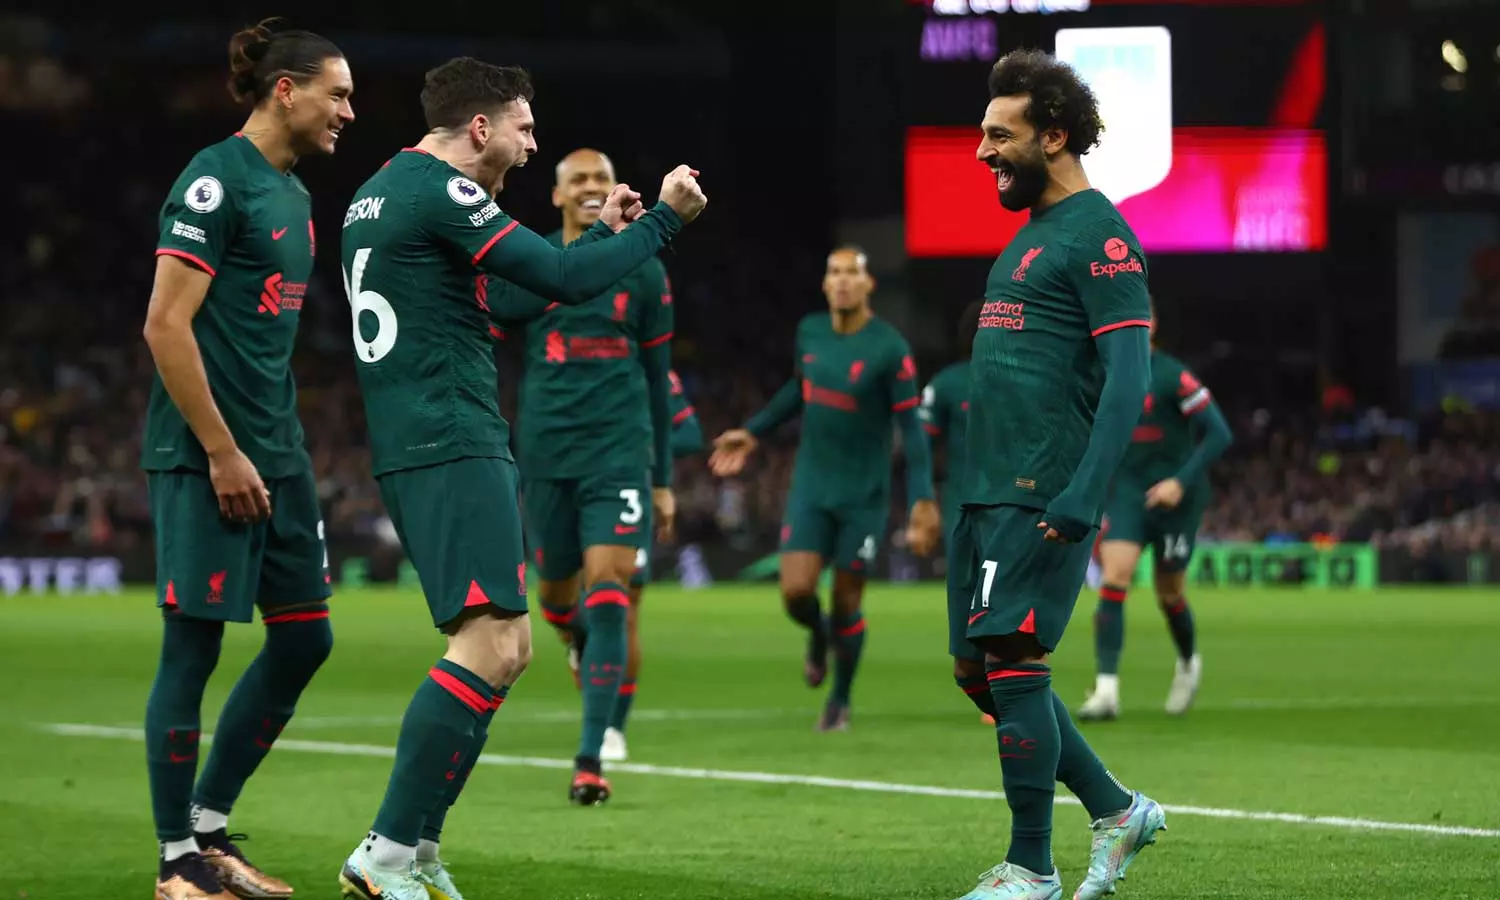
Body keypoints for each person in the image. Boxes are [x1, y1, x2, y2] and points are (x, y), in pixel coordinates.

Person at [336, 57, 706, 900]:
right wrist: (664, 222)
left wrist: (603, 236)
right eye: (525, 127)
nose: (532, 145)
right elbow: (563, 278)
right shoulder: (444, 189)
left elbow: (505, 301)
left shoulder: (381, 190)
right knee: (488, 646)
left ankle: (419, 847)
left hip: (423, 437)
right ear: (481, 126)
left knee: (512, 649)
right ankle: (383, 855)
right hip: (452, 437)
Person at [946, 50, 1166, 900]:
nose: (982, 151)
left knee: (1012, 657)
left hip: (1040, 488)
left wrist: (1085, 491)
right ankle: (1116, 809)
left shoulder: (1101, 237)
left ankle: (1030, 867)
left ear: (1054, 136)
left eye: (999, 135)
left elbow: (1130, 377)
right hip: (984, 489)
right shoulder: (1030, 236)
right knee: (976, 671)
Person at [140, 20, 352, 900]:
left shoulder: (295, 196)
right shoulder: (213, 179)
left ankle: (208, 826)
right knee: (192, 650)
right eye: (337, 94)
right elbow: (165, 325)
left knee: (306, 638)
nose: (349, 111)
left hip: (278, 452)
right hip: (208, 456)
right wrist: (221, 450)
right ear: (286, 90)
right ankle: (175, 862)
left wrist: (262, 449)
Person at [506, 147, 677, 805]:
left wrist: (661, 478)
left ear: (615, 189)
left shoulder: (645, 270)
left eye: (600, 178)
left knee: (609, 591)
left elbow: (658, 382)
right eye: (576, 179)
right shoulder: (534, 261)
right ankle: (575, 637)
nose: (589, 187)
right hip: (547, 456)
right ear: (555, 195)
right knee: (554, 598)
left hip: (619, 454)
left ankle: (590, 759)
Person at [709, 247, 941, 731]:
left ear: (868, 284)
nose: (842, 281)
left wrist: (922, 499)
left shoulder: (889, 348)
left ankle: (839, 700)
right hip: (812, 487)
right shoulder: (810, 333)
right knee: (796, 592)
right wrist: (753, 431)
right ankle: (818, 633)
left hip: (863, 496)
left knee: (847, 602)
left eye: (852, 273)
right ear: (825, 283)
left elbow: (912, 430)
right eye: (834, 272)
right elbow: (799, 389)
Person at [1078, 298, 1232, 721]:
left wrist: (1179, 481)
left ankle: (1188, 662)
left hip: (1177, 498)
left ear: (1152, 325)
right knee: (1115, 577)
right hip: (1127, 493)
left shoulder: (1172, 376)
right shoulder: (1103, 375)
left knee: (1170, 593)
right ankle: (1106, 690)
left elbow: (1219, 434)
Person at [599, 368, 705, 762]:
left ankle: (613, 727)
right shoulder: (561, 354)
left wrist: (640, 447)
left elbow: (689, 434)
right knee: (567, 604)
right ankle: (580, 645)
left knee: (624, 611)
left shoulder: (651, 367)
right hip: (571, 486)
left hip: (629, 494)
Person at [920, 301, 986, 722]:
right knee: (969, 591)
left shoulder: (1029, 378)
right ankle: (982, 679)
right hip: (960, 505)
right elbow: (920, 442)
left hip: (1014, 503)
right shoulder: (947, 384)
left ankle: (1010, 681)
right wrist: (922, 499)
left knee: (1004, 593)